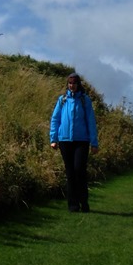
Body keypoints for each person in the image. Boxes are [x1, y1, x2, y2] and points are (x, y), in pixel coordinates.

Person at [50, 72, 99, 213]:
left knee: (79, 170)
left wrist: (94, 143)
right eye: (70, 83)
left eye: (74, 83)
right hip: (65, 141)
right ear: (68, 84)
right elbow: (55, 119)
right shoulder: (62, 100)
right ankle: (73, 205)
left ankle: (84, 202)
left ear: (78, 84)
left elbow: (91, 122)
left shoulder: (85, 100)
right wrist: (53, 139)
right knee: (70, 173)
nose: (72, 85)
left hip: (81, 141)